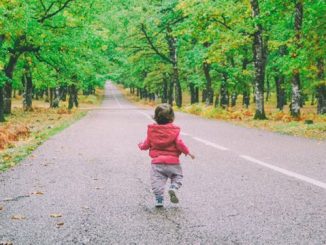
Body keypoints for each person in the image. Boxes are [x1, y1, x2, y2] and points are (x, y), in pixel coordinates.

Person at [138, 104, 195, 207]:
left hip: (157, 163)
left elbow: (146, 144)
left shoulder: (152, 131)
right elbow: (179, 143)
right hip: (173, 162)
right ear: (172, 117)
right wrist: (187, 152)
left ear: (155, 117)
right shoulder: (174, 131)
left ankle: (159, 200)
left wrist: (141, 145)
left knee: (157, 182)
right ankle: (173, 187)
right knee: (177, 176)